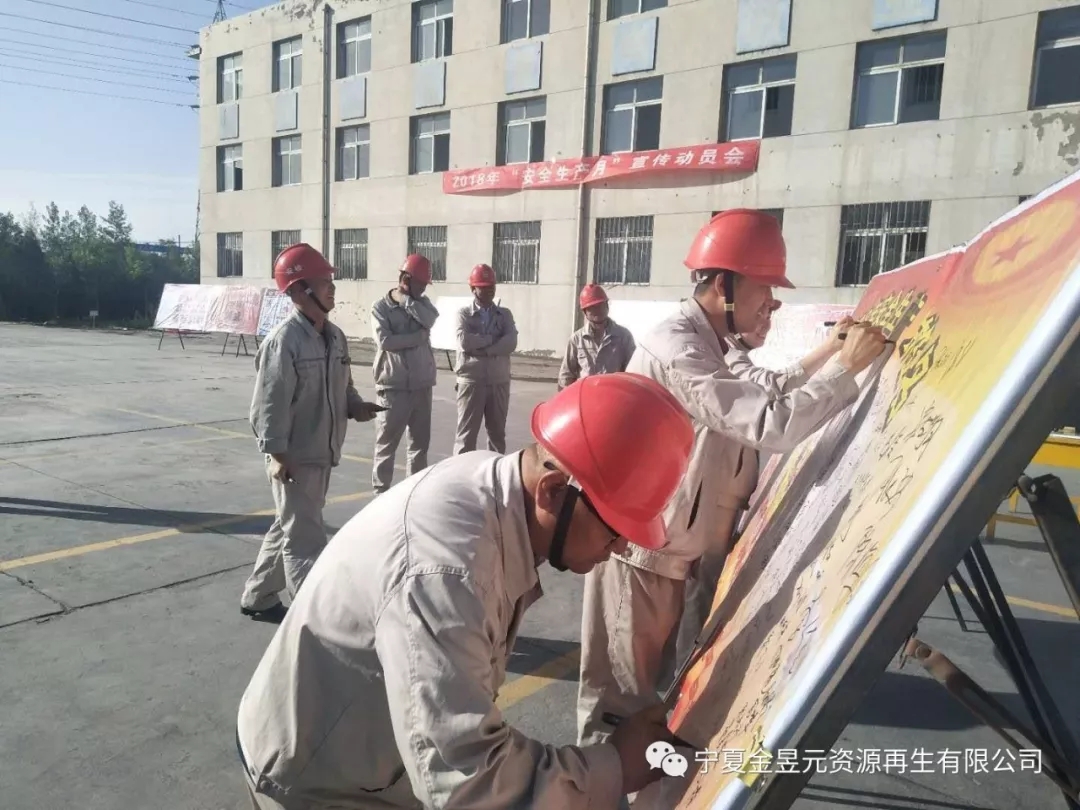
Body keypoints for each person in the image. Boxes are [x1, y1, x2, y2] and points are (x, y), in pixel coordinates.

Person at [236, 372, 697, 810]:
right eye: (615, 530)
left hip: (372, 761)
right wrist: (614, 766)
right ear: (554, 491)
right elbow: (469, 783)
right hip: (317, 785)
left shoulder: (494, 487)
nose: (620, 548)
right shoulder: (448, 571)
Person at [576, 209, 887, 746]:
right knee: (617, 715)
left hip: (670, 551)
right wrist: (845, 369)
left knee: (651, 710)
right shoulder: (679, 347)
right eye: (764, 290)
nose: (771, 304)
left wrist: (831, 352)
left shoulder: (711, 344)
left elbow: (762, 388)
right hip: (638, 557)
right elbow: (767, 421)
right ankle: (594, 788)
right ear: (724, 286)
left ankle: (642, 785)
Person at [240, 243, 382, 623]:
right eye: (323, 282)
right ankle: (313, 621)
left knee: (289, 524)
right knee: (305, 539)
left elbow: (344, 385)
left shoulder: (334, 336)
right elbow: (266, 406)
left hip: (323, 451)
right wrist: (277, 455)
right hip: (294, 457)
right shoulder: (283, 342)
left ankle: (258, 595)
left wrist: (355, 405)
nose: (332, 288)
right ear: (300, 290)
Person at [369, 254, 440, 494]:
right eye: (420, 284)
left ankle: (414, 494)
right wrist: (416, 338)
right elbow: (385, 341)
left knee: (419, 446)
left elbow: (430, 320)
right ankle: (380, 494)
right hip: (393, 386)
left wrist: (408, 302)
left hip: (422, 384)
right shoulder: (381, 307)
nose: (423, 289)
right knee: (386, 445)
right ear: (406, 279)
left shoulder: (422, 304)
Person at [453, 263, 518, 454]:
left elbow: (511, 342)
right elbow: (464, 341)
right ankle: (462, 471)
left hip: (498, 381)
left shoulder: (504, 314)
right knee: (466, 436)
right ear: (473, 289)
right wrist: (492, 340)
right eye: (484, 286)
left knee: (497, 435)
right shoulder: (464, 314)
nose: (489, 290)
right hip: (471, 382)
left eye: (492, 286)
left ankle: (495, 471)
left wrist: (485, 350)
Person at [557, 283, 637, 390]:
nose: (597, 310)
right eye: (592, 307)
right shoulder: (576, 340)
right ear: (585, 312)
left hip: (613, 395)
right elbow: (566, 376)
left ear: (607, 306)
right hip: (586, 396)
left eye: (600, 305)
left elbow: (634, 372)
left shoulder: (623, 336)